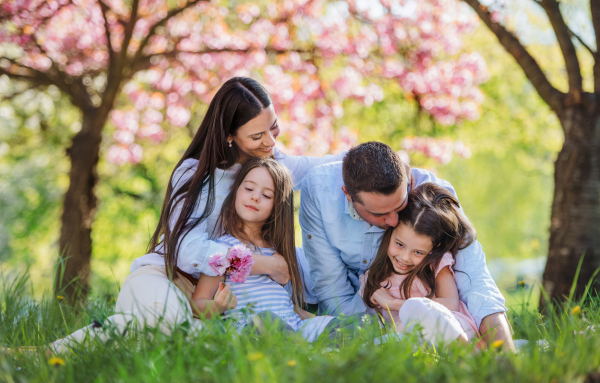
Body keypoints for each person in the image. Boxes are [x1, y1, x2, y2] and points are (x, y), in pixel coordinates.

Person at [45, 77, 346, 354]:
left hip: (216, 300)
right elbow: (187, 248)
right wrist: (262, 264)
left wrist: (379, 160)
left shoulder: (268, 166)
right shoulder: (195, 173)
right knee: (172, 324)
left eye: (273, 128)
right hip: (168, 278)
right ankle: (48, 354)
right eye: (257, 135)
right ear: (229, 135)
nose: (271, 142)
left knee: (208, 343)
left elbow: (322, 167)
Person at [300, 141, 515, 351]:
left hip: (435, 321)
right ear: (347, 195)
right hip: (377, 321)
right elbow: (331, 288)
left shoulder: (435, 200)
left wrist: (504, 352)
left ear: (407, 173)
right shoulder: (319, 192)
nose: (393, 222)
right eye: (379, 214)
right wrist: (355, 335)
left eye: (400, 206)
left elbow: (475, 281)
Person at [192, 157, 337, 341]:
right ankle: (307, 356)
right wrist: (217, 306)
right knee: (267, 319)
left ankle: (320, 349)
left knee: (347, 324)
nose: (255, 197)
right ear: (236, 191)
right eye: (249, 189)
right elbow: (197, 302)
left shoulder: (278, 251)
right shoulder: (223, 249)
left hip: (295, 328)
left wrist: (324, 322)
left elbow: (289, 308)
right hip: (253, 330)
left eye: (267, 195)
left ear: (277, 207)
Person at [360, 183, 484, 347]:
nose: (405, 257)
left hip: (451, 328)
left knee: (417, 309)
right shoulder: (374, 279)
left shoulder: (435, 263)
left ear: (434, 248)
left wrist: (393, 304)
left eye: (418, 252)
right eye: (399, 244)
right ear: (390, 233)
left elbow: (451, 303)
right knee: (376, 345)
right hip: (414, 338)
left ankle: (470, 352)